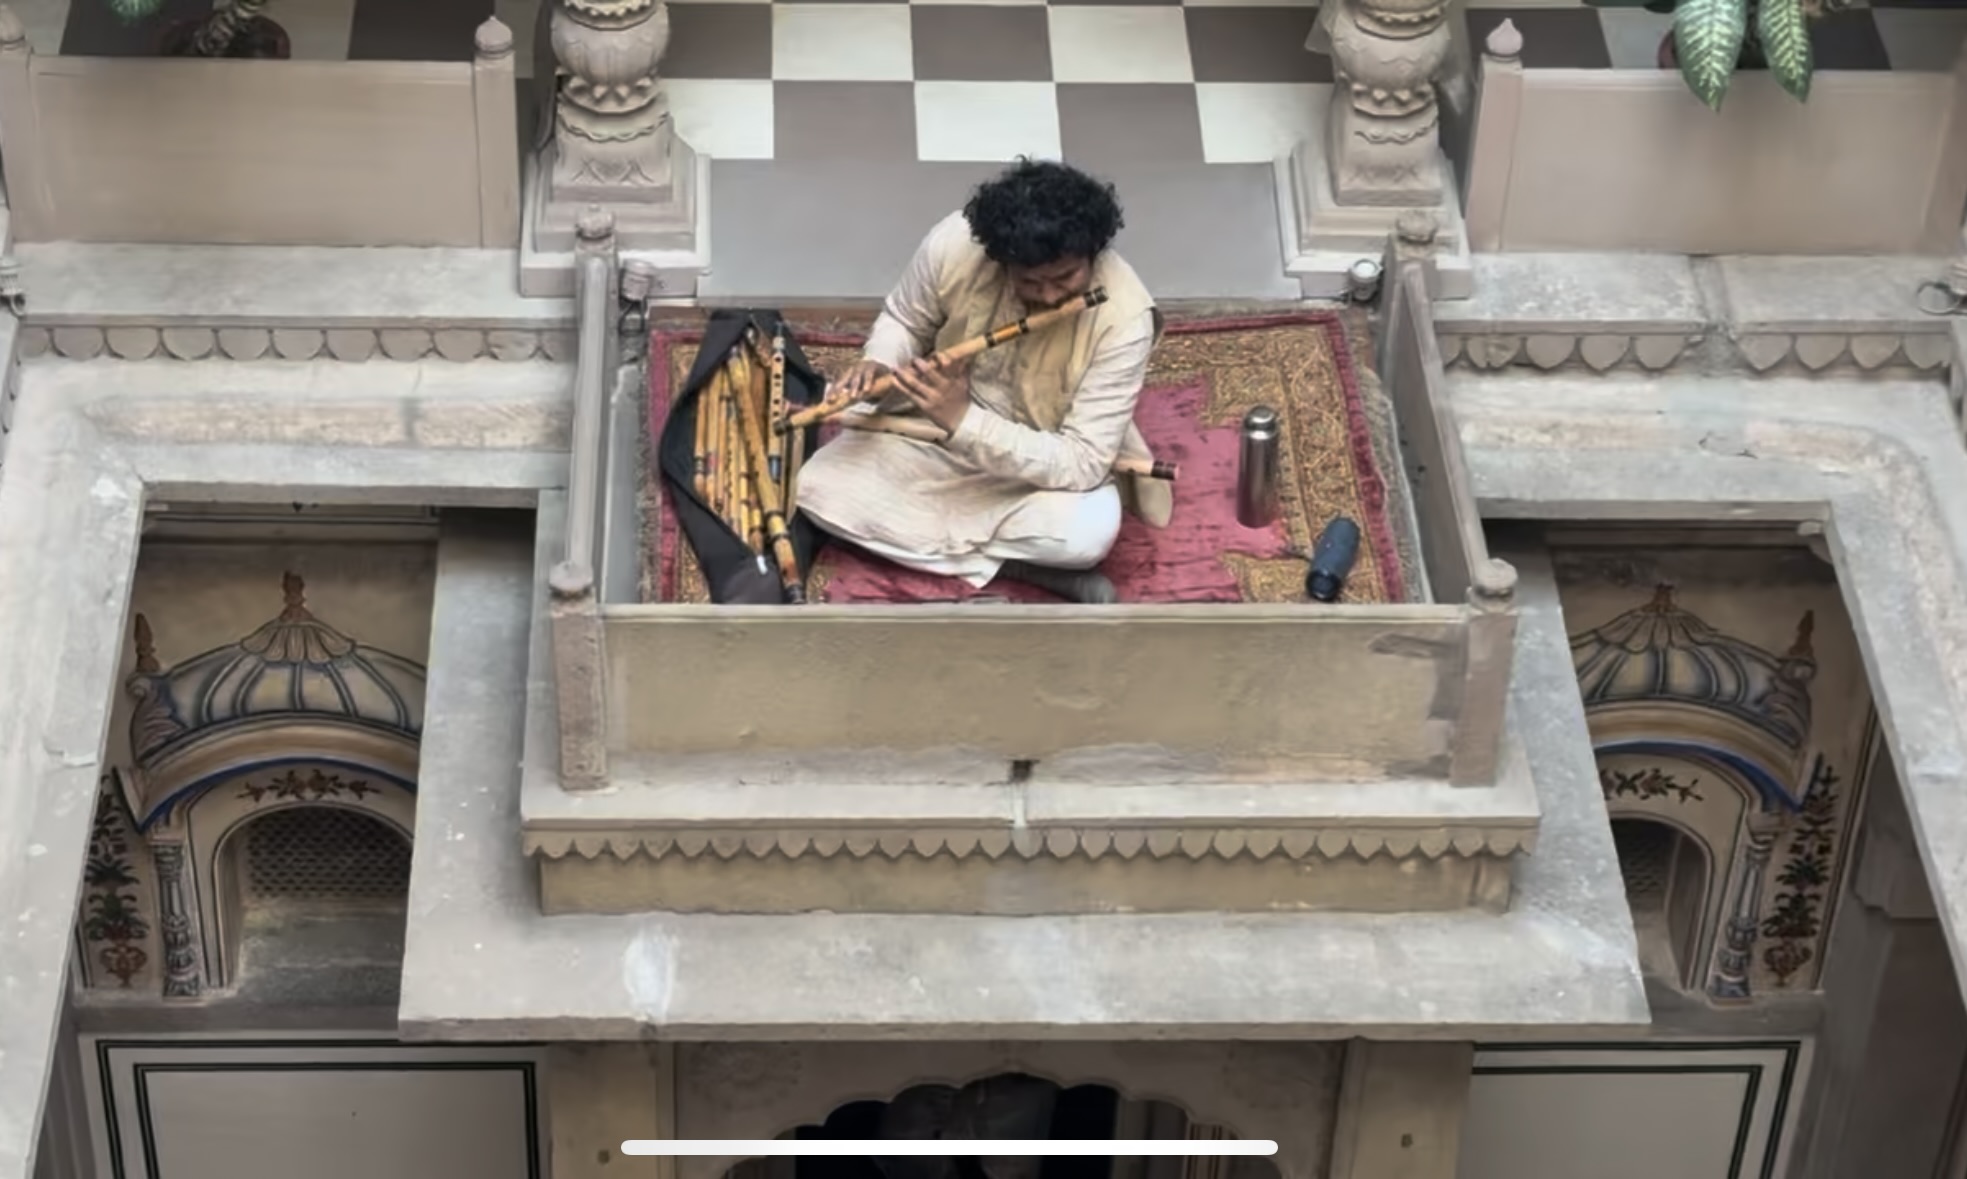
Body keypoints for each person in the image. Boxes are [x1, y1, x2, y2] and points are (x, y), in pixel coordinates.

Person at [793, 158, 1170, 605]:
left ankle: (982, 556)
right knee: (817, 487)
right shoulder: (954, 243)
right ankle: (1016, 565)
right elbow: (905, 320)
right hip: (930, 436)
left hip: (1041, 459)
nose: (1050, 296)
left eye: (1066, 277)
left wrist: (964, 421)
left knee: (1090, 535)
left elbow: (1082, 462)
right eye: (1031, 282)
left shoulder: (1126, 318)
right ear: (1000, 260)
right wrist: (879, 364)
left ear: (1094, 252)